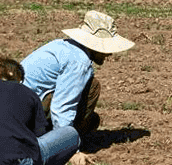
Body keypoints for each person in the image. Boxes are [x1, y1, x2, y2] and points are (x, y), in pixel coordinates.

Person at [20, 9, 135, 139]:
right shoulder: (79, 61)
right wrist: (65, 143)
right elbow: (62, 107)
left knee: (93, 119)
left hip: (15, 109)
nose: (110, 54)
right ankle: (57, 141)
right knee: (93, 87)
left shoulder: (64, 46)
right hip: (23, 114)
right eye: (107, 49)